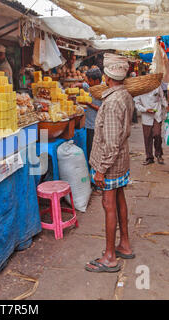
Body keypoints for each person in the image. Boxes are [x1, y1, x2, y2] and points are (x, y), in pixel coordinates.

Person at [85, 53, 135, 273]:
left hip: (111, 164)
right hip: (120, 161)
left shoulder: (113, 101)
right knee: (119, 199)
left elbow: (112, 142)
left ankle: (109, 257)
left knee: (108, 205)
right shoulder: (124, 94)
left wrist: (101, 170)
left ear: (107, 76)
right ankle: (123, 244)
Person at [134, 85, 168, 165]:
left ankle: (159, 155)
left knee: (157, 134)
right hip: (146, 117)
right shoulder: (140, 90)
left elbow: (162, 98)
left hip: (157, 115)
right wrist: (145, 110)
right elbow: (137, 104)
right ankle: (149, 158)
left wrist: (166, 106)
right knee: (147, 137)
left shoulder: (157, 87)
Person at [81, 67, 103, 161]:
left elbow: (103, 109)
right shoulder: (92, 87)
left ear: (97, 80)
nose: (88, 83)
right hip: (89, 125)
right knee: (90, 150)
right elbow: (84, 85)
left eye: (90, 81)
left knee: (94, 151)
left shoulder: (103, 90)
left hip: (96, 126)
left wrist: (89, 104)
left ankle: (95, 171)